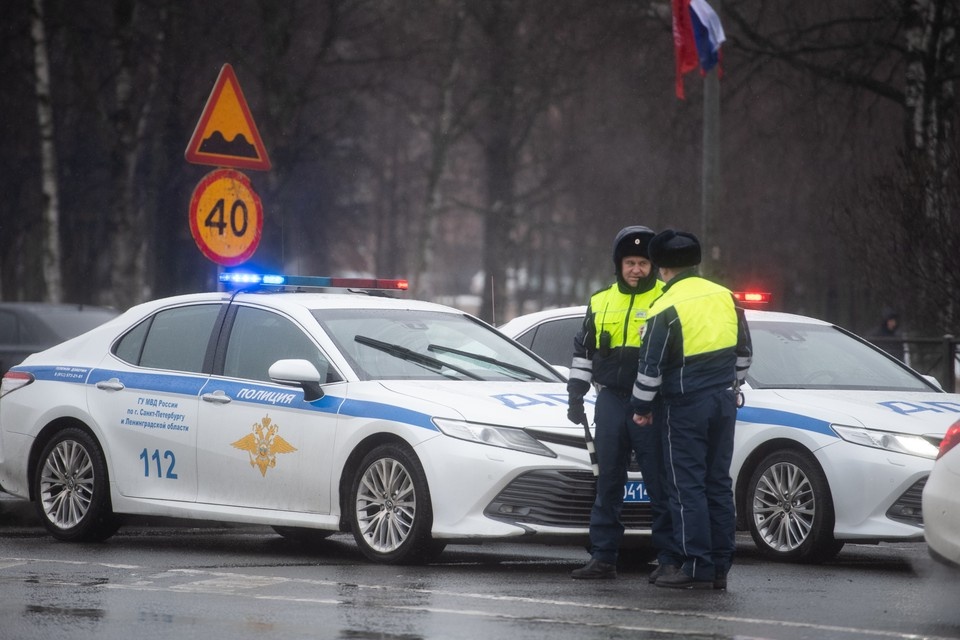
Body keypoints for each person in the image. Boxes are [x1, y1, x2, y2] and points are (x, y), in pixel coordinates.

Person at [631, 229, 752, 590]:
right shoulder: (725, 297)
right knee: (717, 483)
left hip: (684, 406)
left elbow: (650, 368)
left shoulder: (663, 307)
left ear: (661, 267)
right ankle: (719, 565)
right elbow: (744, 356)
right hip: (723, 401)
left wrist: (641, 406)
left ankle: (694, 564)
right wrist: (727, 385)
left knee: (686, 487)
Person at [567, 225, 677, 580]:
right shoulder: (600, 300)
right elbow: (583, 351)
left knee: (659, 483)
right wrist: (575, 392)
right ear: (619, 264)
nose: (636, 270)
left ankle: (669, 559)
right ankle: (603, 556)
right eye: (629, 262)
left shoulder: (666, 298)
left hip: (653, 403)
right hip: (611, 401)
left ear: (653, 265)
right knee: (608, 481)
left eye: (643, 263)